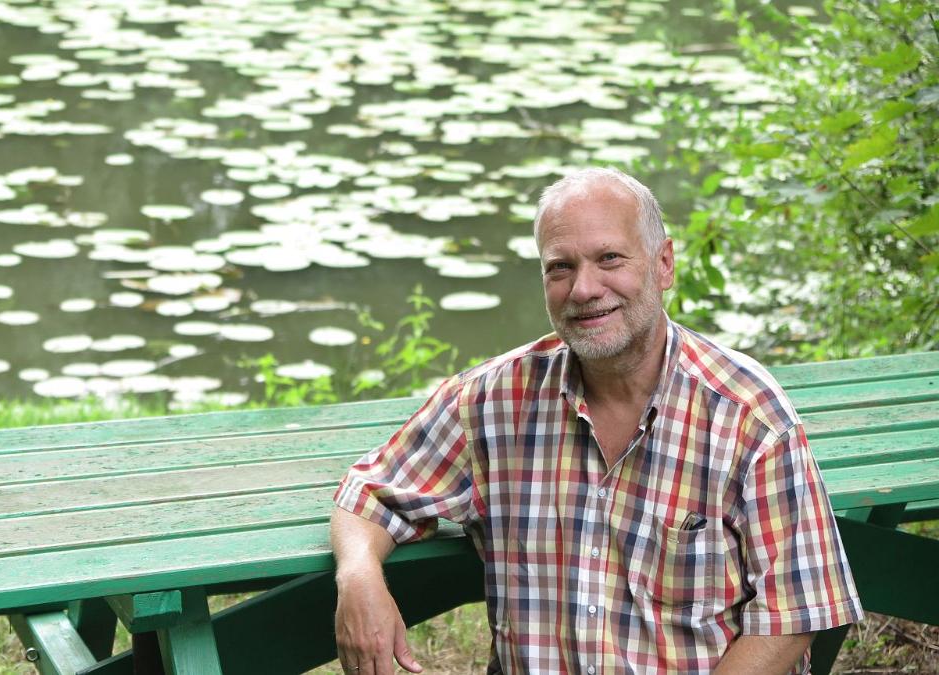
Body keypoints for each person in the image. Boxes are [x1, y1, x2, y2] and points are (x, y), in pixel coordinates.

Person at [330, 167, 862, 674]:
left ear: (664, 264)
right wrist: (358, 576)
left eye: (609, 258)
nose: (584, 289)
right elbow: (369, 493)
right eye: (560, 267)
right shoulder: (492, 402)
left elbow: (797, 610)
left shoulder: (748, 415)